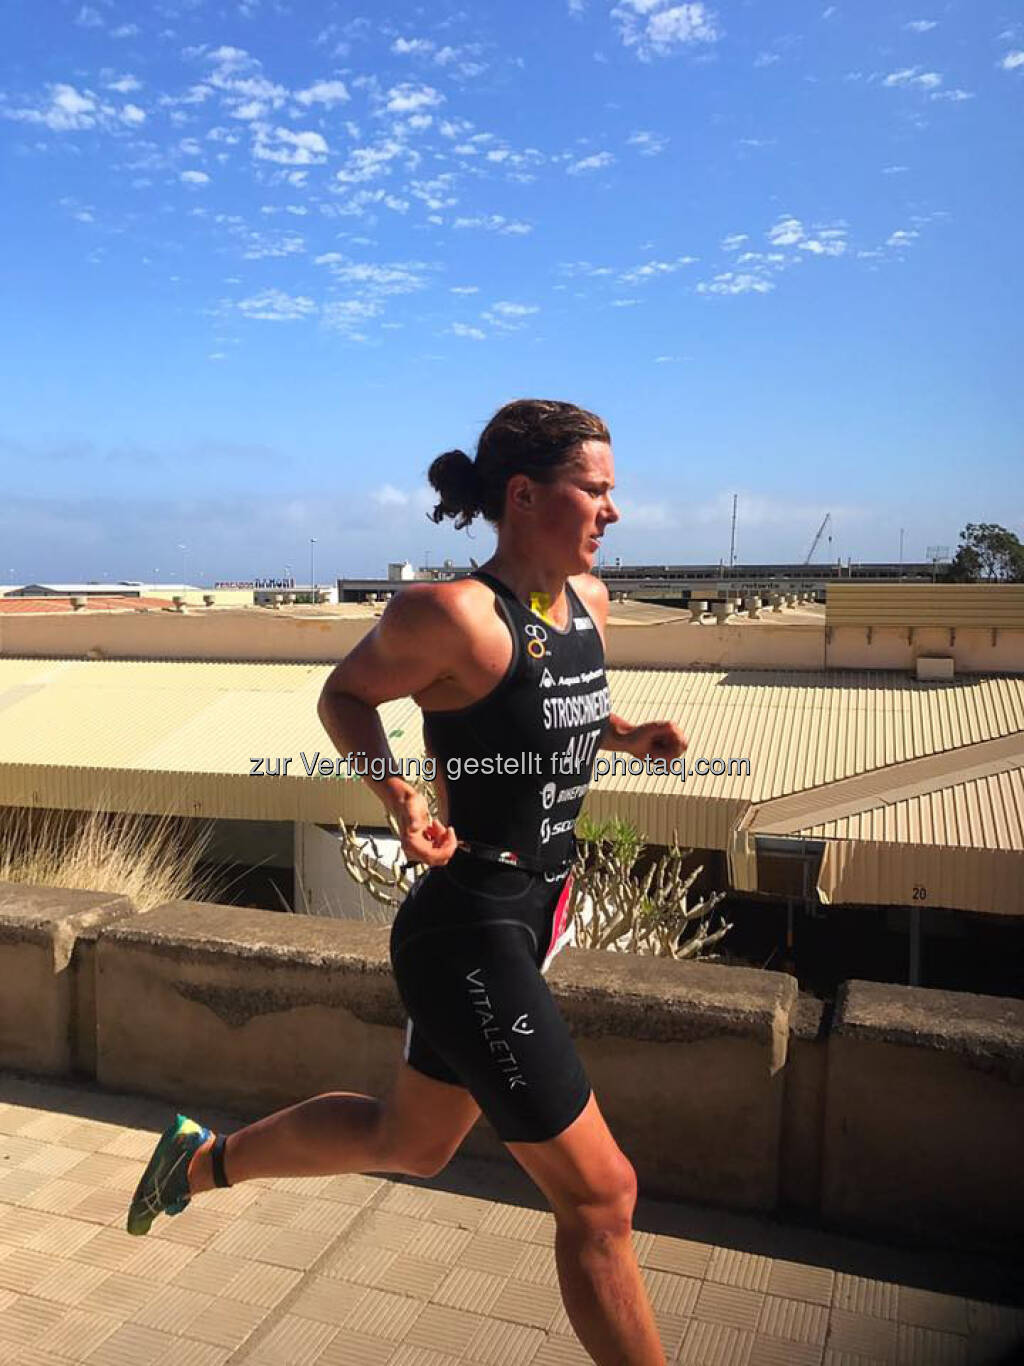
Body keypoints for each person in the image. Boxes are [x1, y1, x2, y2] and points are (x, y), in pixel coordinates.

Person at [126, 398, 686, 1366]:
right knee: (602, 1199)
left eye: (611, 491)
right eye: (594, 490)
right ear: (523, 495)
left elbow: (550, 705)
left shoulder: (588, 604)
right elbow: (345, 694)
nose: (613, 510)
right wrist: (398, 796)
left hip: (537, 912)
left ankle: (201, 1161)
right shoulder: (450, 614)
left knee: (410, 1142)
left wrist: (626, 734)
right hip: (469, 927)